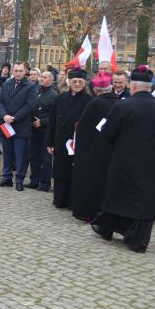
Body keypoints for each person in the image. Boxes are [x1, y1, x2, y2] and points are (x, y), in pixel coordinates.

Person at [91, 66, 155, 253]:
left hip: (123, 159)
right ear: (149, 87)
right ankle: (138, 240)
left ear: (132, 86)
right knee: (144, 199)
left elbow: (108, 133)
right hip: (150, 161)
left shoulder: (122, 105)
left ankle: (107, 228)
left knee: (118, 194)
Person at [70, 73, 118, 222]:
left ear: (96, 90)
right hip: (110, 148)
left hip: (90, 149)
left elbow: (83, 127)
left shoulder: (94, 103)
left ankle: (86, 212)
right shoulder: (118, 103)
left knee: (89, 181)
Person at [46, 67, 92, 207]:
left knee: (74, 172)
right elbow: (52, 121)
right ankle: (59, 199)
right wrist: (49, 142)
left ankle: (72, 201)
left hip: (79, 143)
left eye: (80, 81)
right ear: (69, 81)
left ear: (84, 82)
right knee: (60, 171)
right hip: (60, 141)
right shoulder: (59, 99)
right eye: (74, 81)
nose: (77, 84)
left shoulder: (90, 101)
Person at [0, 62, 37, 191]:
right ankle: (6, 178)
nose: (18, 73)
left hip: (20, 126)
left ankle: (19, 179)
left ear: (25, 72)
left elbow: (30, 106)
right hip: (6, 125)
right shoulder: (6, 84)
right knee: (7, 153)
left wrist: (15, 117)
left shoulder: (30, 87)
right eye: (16, 70)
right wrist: (4, 115)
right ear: (12, 71)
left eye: (20, 71)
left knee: (20, 155)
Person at [25, 71, 58, 191]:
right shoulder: (38, 91)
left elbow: (56, 116)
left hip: (46, 131)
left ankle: (45, 183)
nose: (41, 79)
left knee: (45, 159)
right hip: (34, 130)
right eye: (41, 77)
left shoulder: (54, 95)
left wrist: (42, 122)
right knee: (34, 156)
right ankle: (34, 180)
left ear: (51, 80)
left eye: (44, 77)